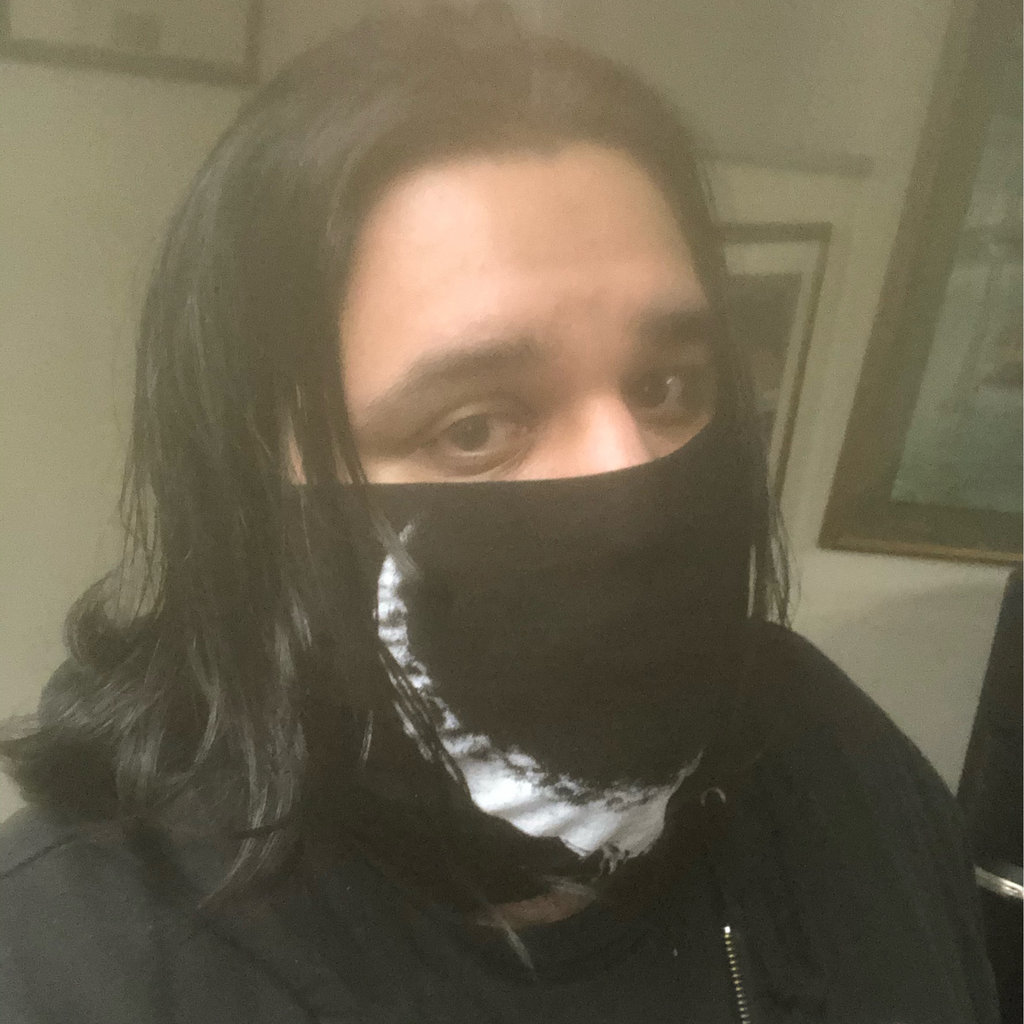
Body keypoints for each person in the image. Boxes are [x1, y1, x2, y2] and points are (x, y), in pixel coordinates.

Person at [0, 4, 999, 1022]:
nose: (632, 481)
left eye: (664, 386)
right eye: (475, 426)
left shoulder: (825, 748)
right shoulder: (69, 962)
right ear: (251, 486)